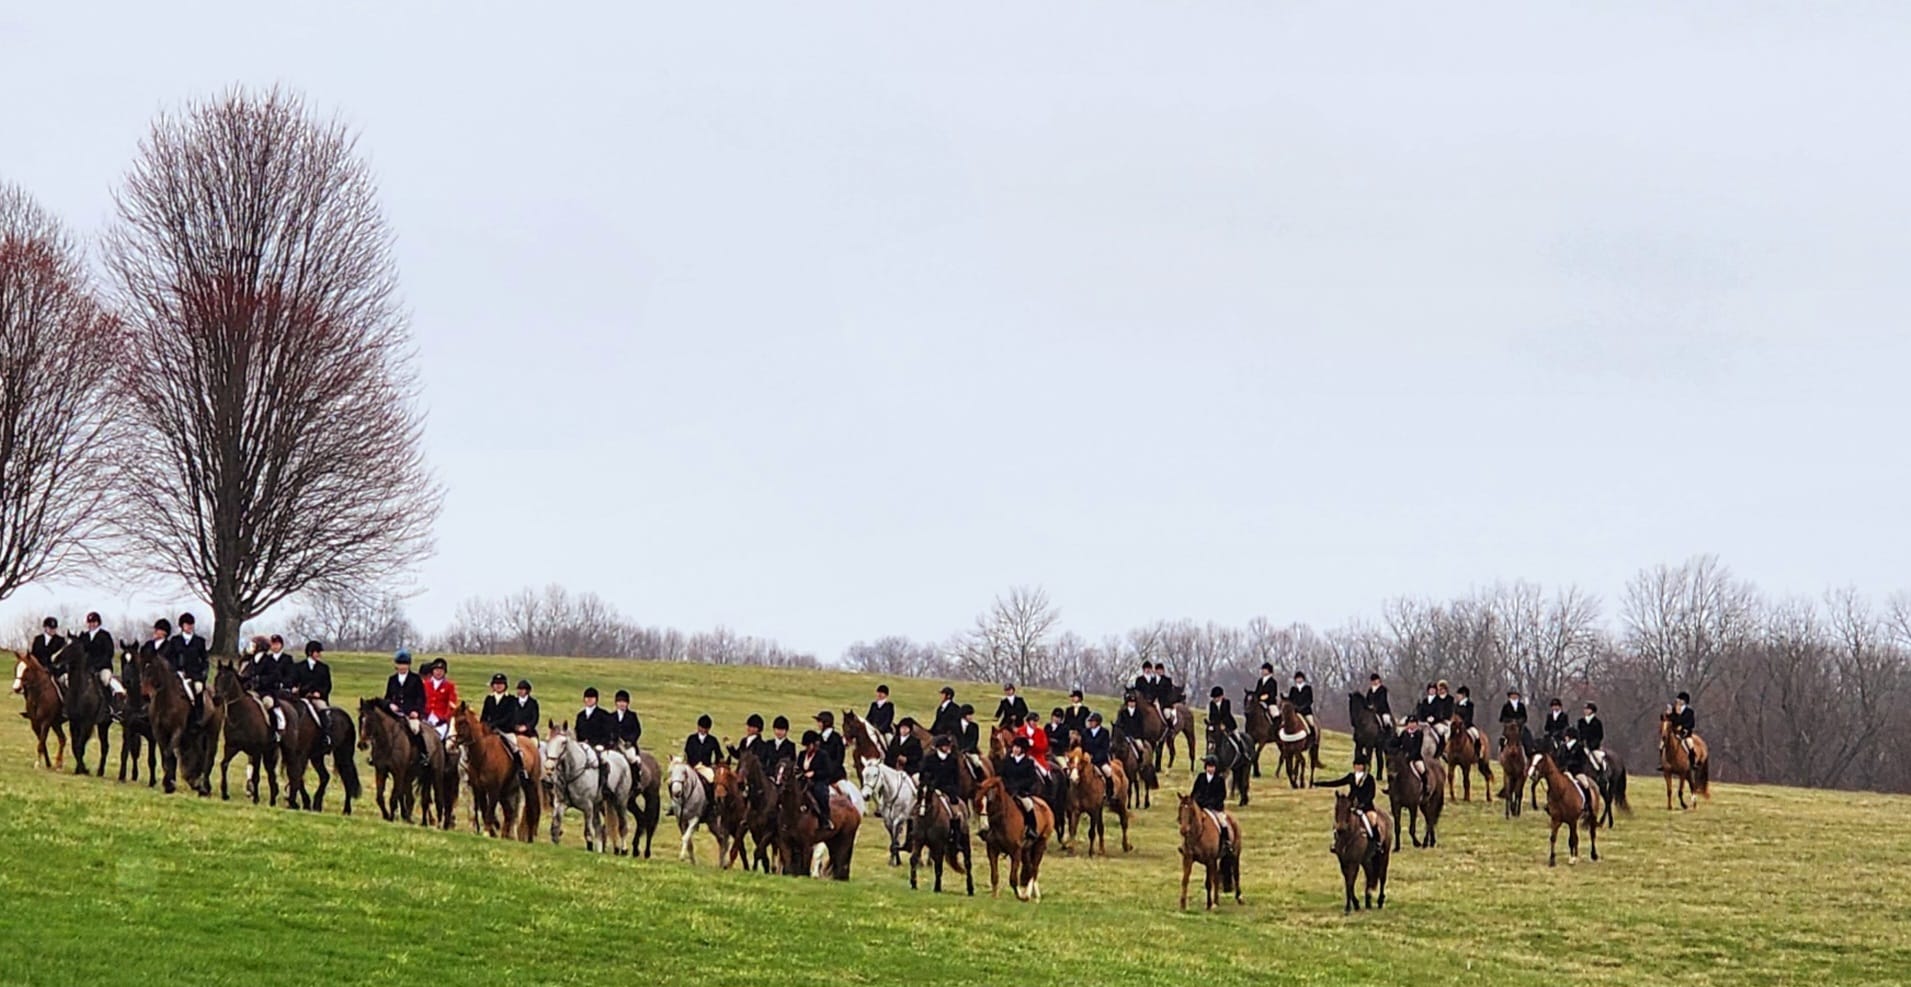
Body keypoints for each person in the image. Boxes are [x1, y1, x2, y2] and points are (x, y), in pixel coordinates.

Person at [1320, 755, 1384, 843]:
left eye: (1359, 765)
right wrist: (1321, 784)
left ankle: (1376, 842)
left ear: (1364, 766)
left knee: (1372, 820)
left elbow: (1371, 794)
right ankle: (1336, 842)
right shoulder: (1351, 776)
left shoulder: (1369, 779)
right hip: (1351, 805)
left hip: (1366, 806)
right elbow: (1338, 782)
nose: (1357, 767)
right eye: (1356, 765)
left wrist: (1363, 803)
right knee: (1340, 819)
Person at [798, 729, 843, 836]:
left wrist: (814, 773)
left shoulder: (822, 755)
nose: (807, 748)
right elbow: (798, 766)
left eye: (809, 745)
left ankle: (825, 818)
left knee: (820, 793)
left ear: (814, 744)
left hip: (818, 781)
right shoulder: (802, 754)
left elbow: (828, 771)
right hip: (803, 781)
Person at [998, 736, 1042, 844]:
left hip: (1022, 791)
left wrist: (1018, 787)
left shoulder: (1028, 762)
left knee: (1028, 805)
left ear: (1023, 749)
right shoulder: (1007, 761)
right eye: (1014, 747)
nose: (1015, 749)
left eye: (1018, 747)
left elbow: (1031, 779)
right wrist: (1008, 786)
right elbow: (1002, 775)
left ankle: (1031, 828)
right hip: (1007, 790)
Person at [918, 732, 966, 823]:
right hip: (930, 788)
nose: (949, 748)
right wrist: (928, 784)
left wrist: (955, 789)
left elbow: (956, 777)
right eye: (946, 746)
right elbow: (923, 773)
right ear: (940, 747)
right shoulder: (929, 759)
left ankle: (955, 830)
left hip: (947, 789)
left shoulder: (952, 760)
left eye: (949, 746)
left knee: (955, 813)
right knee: (915, 808)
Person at [1191, 755, 1232, 854]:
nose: (1211, 769)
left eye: (1213, 767)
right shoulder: (1200, 777)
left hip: (1215, 808)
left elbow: (1222, 795)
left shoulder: (1220, 780)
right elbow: (1195, 792)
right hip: (1201, 807)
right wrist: (1199, 802)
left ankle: (1225, 843)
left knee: (1223, 823)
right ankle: (1187, 845)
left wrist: (1211, 803)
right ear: (1205, 767)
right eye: (1209, 766)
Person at [80, 612, 126, 700]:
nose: (91, 624)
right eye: (89, 622)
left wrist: (98, 665)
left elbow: (109, 653)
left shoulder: (105, 635)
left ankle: (110, 704)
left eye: (94, 622)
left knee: (104, 679)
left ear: (98, 623)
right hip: (86, 668)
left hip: (103, 667)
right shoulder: (84, 637)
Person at [1080, 712, 1117, 804]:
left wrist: (1095, 758)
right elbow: (1083, 746)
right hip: (1086, 760)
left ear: (1098, 722)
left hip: (1100, 760)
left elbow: (1105, 748)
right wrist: (1085, 755)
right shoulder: (1085, 732)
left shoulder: (1104, 733)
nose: (1090, 723)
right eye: (1090, 721)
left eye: (1092, 722)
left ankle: (1109, 795)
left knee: (1108, 773)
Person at [383, 650, 425, 723]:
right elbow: (387, 697)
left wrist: (416, 711)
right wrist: (390, 705)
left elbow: (421, 697)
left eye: (405, 664)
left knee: (416, 730)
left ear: (409, 665)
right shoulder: (392, 679)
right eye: (400, 664)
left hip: (411, 715)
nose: (402, 667)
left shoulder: (416, 679)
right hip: (395, 714)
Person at [422, 658, 458, 740]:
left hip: (441, 720)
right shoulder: (425, 685)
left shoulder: (449, 686)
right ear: (433, 671)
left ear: (444, 672)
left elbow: (451, 704)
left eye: (441, 670)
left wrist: (445, 718)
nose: (438, 672)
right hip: (426, 717)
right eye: (436, 670)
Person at [172, 613, 209, 688]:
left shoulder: (200, 641)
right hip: (178, 674)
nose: (189, 626)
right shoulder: (175, 641)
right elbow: (172, 657)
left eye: (191, 624)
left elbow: (204, 660)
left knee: (198, 689)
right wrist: (176, 670)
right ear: (182, 625)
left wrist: (201, 677)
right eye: (187, 624)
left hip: (195, 676)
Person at [292, 641, 332, 706]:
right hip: (301, 698)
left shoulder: (324, 668)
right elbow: (294, 681)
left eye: (320, 652)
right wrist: (294, 688)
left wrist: (319, 693)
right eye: (317, 652)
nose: (319, 654)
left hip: (318, 699)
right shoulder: (298, 667)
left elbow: (327, 685)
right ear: (310, 652)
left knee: (322, 707)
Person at [684, 714, 721, 780]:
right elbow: (687, 753)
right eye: (702, 728)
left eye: (705, 728)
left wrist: (714, 765)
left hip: (706, 770)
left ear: (709, 729)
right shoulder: (691, 739)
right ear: (698, 727)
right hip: (692, 768)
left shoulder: (713, 740)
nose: (703, 730)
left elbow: (718, 755)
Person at [1394, 716, 1429, 782]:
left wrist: (1410, 756)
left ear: (1416, 724)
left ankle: (1425, 786)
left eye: (1413, 723)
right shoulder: (1404, 733)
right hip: (1403, 757)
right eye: (1410, 723)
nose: (1411, 724)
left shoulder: (1419, 733)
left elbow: (1417, 747)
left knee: (1422, 770)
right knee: (1394, 771)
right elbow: (1397, 743)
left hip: (1415, 758)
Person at [1577, 702, 1606, 772]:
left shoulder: (1597, 722)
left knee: (1599, 760)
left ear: (1592, 711)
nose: (1585, 711)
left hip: (1593, 748)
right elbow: (1578, 734)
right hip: (1582, 746)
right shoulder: (1581, 722)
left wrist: (1592, 745)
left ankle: (1602, 775)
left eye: (1588, 709)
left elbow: (1600, 736)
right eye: (1585, 709)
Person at [1453, 685, 1482, 750]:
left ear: (1464, 695)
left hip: (1467, 725)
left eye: (1459, 695)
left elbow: (1469, 716)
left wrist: (1464, 724)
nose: (1457, 696)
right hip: (1456, 726)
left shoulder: (1470, 705)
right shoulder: (1456, 705)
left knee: (1476, 735)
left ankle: (1478, 752)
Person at [1671, 692, 1698, 760]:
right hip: (1674, 732)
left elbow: (1691, 723)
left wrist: (1684, 728)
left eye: (1680, 699)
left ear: (1684, 701)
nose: (1678, 701)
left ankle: (1692, 761)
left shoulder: (1689, 711)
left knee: (1689, 744)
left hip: (1685, 734)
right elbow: (1671, 720)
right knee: (1662, 744)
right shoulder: (1674, 710)